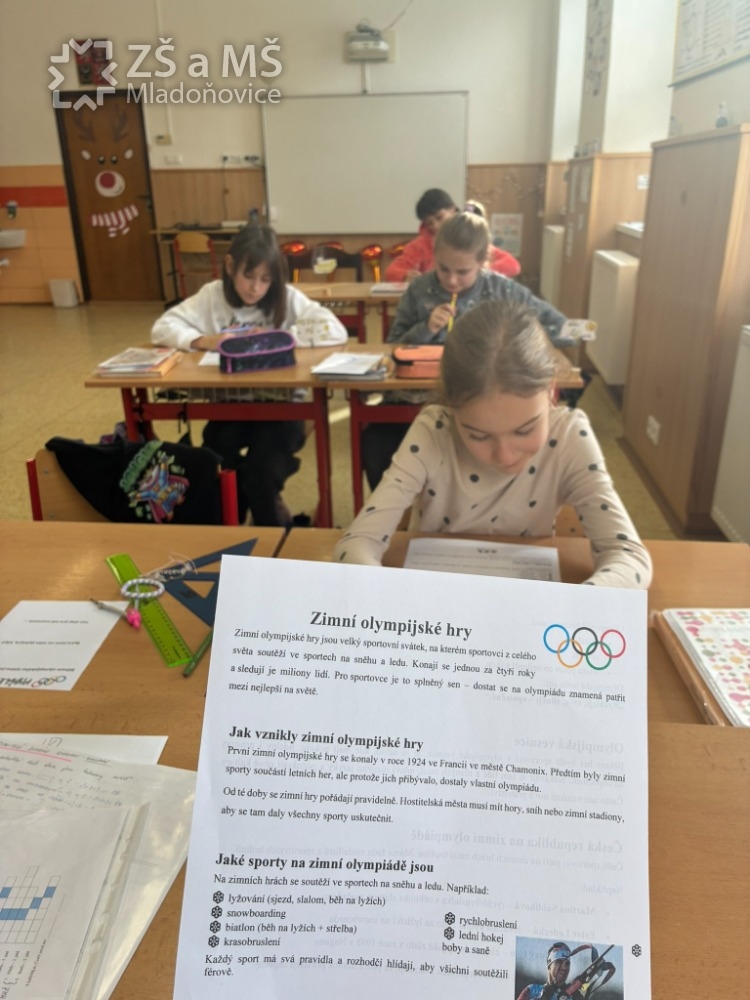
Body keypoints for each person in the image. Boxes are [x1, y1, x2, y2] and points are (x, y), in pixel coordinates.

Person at [335, 299, 652, 590]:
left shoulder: (569, 436)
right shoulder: (433, 432)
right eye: (478, 435)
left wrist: (575, 605)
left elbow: (629, 557)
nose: (504, 455)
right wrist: (383, 596)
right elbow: (357, 542)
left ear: (551, 392)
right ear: (452, 406)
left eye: (525, 429)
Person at [362, 211, 574, 491]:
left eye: (463, 272)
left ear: (482, 262)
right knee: (376, 446)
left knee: (472, 457)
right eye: (443, 269)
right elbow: (394, 345)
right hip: (414, 399)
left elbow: (560, 327)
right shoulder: (419, 289)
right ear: (434, 257)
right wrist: (426, 328)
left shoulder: (502, 290)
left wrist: (526, 343)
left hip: (482, 404)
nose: (451, 281)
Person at [151, 224, 347, 525]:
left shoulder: (287, 298)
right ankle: (232, 528)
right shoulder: (212, 296)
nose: (256, 288)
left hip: (282, 410)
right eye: (249, 275)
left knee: (260, 474)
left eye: (265, 280)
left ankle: (270, 532)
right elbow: (162, 328)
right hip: (231, 407)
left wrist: (279, 337)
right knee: (214, 463)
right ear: (230, 266)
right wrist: (204, 340)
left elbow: (334, 330)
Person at [384, 188, 521, 282]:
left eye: (439, 217)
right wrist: (405, 275)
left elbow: (513, 266)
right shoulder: (419, 246)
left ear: (453, 210)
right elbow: (391, 271)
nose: (435, 226)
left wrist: (478, 271)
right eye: (429, 223)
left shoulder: (470, 239)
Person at [516, 942, 585, 1000]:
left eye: (567, 963)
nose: (564, 967)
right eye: (559, 962)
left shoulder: (572, 996)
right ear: (549, 965)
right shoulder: (532, 990)